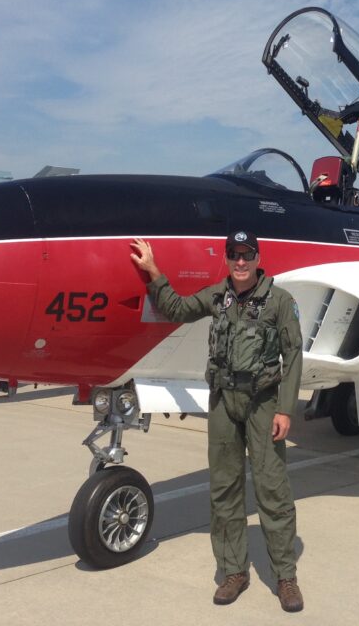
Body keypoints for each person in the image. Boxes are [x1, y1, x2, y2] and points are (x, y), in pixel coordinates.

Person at [130, 230, 305, 613]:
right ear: (226, 258)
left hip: (262, 403)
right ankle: (234, 572)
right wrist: (153, 271)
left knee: (273, 490)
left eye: (246, 255)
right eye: (233, 255)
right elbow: (177, 309)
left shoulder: (280, 301)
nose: (240, 262)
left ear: (257, 258)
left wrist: (285, 409)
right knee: (224, 489)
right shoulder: (217, 296)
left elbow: (293, 355)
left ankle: (285, 577)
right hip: (223, 402)